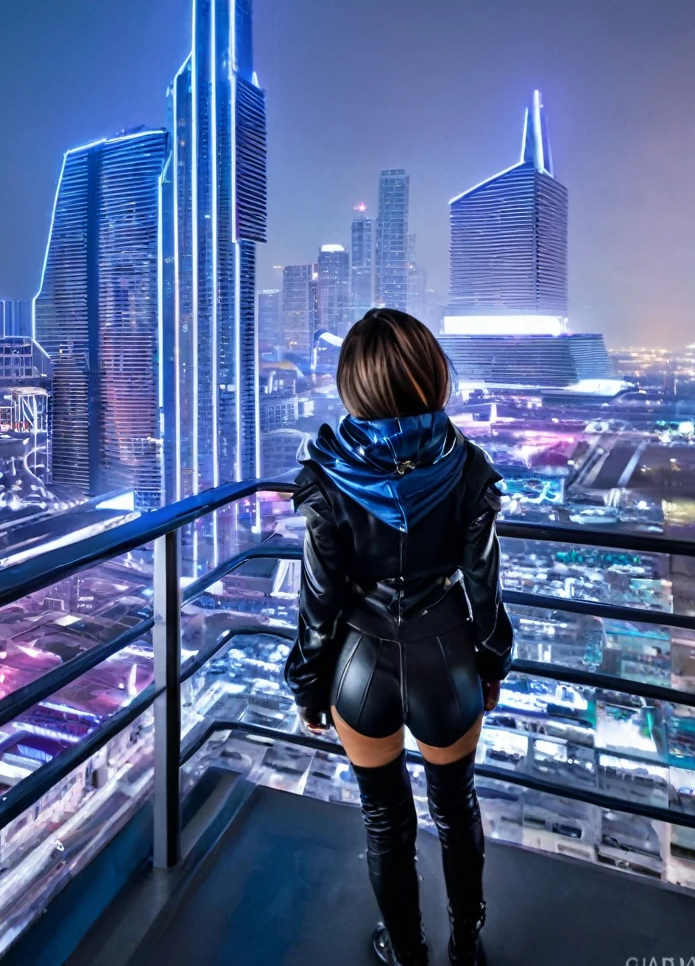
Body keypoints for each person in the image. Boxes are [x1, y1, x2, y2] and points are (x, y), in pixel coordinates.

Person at [284, 308, 513, 966]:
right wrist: (491, 663)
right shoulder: (468, 467)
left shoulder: (328, 476)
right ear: (432, 375)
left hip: (359, 665)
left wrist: (307, 685)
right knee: (456, 806)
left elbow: (320, 600)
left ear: (353, 385)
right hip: (448, 660)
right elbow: (484, 589)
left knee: (384, 819)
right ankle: (466, 950)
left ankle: (406, 953)